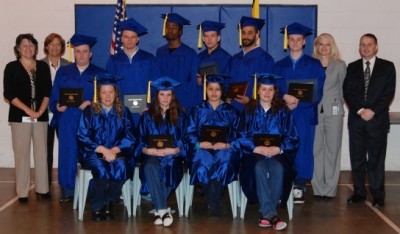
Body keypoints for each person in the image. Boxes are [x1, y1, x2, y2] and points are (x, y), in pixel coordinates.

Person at [239, 74, 299, 230]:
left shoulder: (283, 111)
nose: (267, 93)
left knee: (279, 168)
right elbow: (240, 135)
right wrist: (255, 148)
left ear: (275, 91)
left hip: (277, 154)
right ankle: (272, 214)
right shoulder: (249, 110)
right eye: (263, 89)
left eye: (270, 89)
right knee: (258, 168)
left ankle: (266, 214)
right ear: (257, 91)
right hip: (254, 154)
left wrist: (279, 148)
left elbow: (292, 136)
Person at [49, 34, 104, 203]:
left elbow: (107, 98)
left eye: (84, 51)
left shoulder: (99, 73)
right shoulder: (64, 72)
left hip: (90, 120)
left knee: (90, 153)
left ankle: (94, 189)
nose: (81, 55)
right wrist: (57, 105)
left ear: (90, 54)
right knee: (68, 153)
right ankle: (68, 190)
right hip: (68, 118)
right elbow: (54, 97)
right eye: (78, 51)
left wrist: (92, 103)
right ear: (74, 53)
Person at [275, 22, 326, 204]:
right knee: (285, 148)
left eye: (298, 40)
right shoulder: (279, 65)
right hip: (284, 114)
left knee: (303, 149)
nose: (295, 42)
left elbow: (318, 92)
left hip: (304, 114)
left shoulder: (315, 64)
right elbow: (273, 89)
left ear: (304, 42)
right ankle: (284, 182)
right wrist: (284, 99)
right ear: (287, 41)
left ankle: (299, 185)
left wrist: (298, 104)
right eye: (292, 39)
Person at [343, 33, 396, 207]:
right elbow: (348, 92)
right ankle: (359, 192)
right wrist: (360, 110)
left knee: (376, 160)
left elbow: (388, 94)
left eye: (369, 44)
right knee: (357, 159)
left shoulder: (388, 67)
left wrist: (372, 111)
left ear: (376, 47)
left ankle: (378, 195)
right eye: (363, 44)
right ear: (359, 48)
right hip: (357, 121)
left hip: (377, 120)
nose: (366, 47)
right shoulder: (351, 67)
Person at [77, 73, 136, 221]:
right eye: (104, 92)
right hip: (93, 152)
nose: (107, 96)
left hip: (116, 152)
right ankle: (97, 205)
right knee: (101, 167)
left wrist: (114, 150)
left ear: (116, 93)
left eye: (111, 92)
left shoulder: (123, 112)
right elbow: (83, 136)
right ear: (98, 94)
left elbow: (130, 137)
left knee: (122, 166)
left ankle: (109, 199)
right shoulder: (89, 112)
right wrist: (104, 150)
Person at [3, 33, 52, 202]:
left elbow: (47, 92)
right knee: (22, 154)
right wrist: (28, 111)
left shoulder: (43, 67)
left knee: (42, 153)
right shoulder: (11, 67)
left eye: (31, 45)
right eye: (24, 45)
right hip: (19, 117)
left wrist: (39, 111)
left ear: (36, 48)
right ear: (18, 49)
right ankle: (22, 192)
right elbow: (9, 94)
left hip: (41, 115)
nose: (28, 48)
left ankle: (43, 189)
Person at [186, 74, 241, 216]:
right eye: (210, 89)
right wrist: (199, 143)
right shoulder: (198, 110)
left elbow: (239, 134)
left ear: (222, 91)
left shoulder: (231, 111)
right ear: (206, 90)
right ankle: (214, 200)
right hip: (202, 148)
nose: (214, 92)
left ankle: (212, 201)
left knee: (224, 159)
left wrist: (227, 145)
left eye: (217, 89)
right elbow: (189, 132)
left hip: (225, 149)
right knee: (202, 159)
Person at [135, 77, 187, 226]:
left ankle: (159, 210)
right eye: (162, 95)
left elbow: (186, 139)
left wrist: (176, 149)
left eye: (169, 95)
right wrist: (148, 150)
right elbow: (139, 140)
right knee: (150, 166)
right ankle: (163, 210)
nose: (165, 98)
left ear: (173, 96)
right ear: (156, 96)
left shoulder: (181, 116)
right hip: (152, 155)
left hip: (173, 156)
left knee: (171, 167)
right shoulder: (147, 116)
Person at [311, 33, 347, 200]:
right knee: (316, 150)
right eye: (321, 44)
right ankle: (318, 188)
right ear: (316, 46)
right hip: (315, 111)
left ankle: (330, 189)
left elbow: (342, 90)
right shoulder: (311, 64)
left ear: (332, 46)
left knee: (333, 150)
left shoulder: (340, 65)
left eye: (327, 44)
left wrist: (338, 108)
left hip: (334, 113)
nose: (324, 48)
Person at [106, 18, 159, 125]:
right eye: (126, 37)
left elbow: (156, 84)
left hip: (144, 110)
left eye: (132, 37)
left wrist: (149, 106)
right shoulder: (114, 60)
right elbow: (109, 85)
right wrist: (115, 106)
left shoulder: (149, 59)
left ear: (137, 39)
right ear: (121, 39)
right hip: (121, 111)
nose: (129, 40)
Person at [41, 33, 70, 186]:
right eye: (51, 44)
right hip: (44, 113)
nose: (55, 47)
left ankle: (65, 180)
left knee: (65, 146)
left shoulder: (68, 65)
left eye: (58, 44)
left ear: (62, 47)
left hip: (62, 112)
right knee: (46, 149)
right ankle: (45, 182)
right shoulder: (38, 65)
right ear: (46, 46)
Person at [156, 13, 200, 112]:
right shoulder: (160, 52)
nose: (170, 30)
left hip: (183, 104)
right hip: (163, 104)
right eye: (167, 26)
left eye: (174, 27)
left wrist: (187, 106)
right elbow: (157, 79)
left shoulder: (190, 54)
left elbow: (192, 84)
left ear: (180, 32)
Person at [229, 16, 275, 111]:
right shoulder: (235, 58)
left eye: (250, 33)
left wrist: (250, 101)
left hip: (254, 111)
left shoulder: (266, 59)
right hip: (232, 110)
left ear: (257, 35)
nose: (246, 36)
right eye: (244, 33)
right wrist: (227, 97)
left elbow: (269, 88)